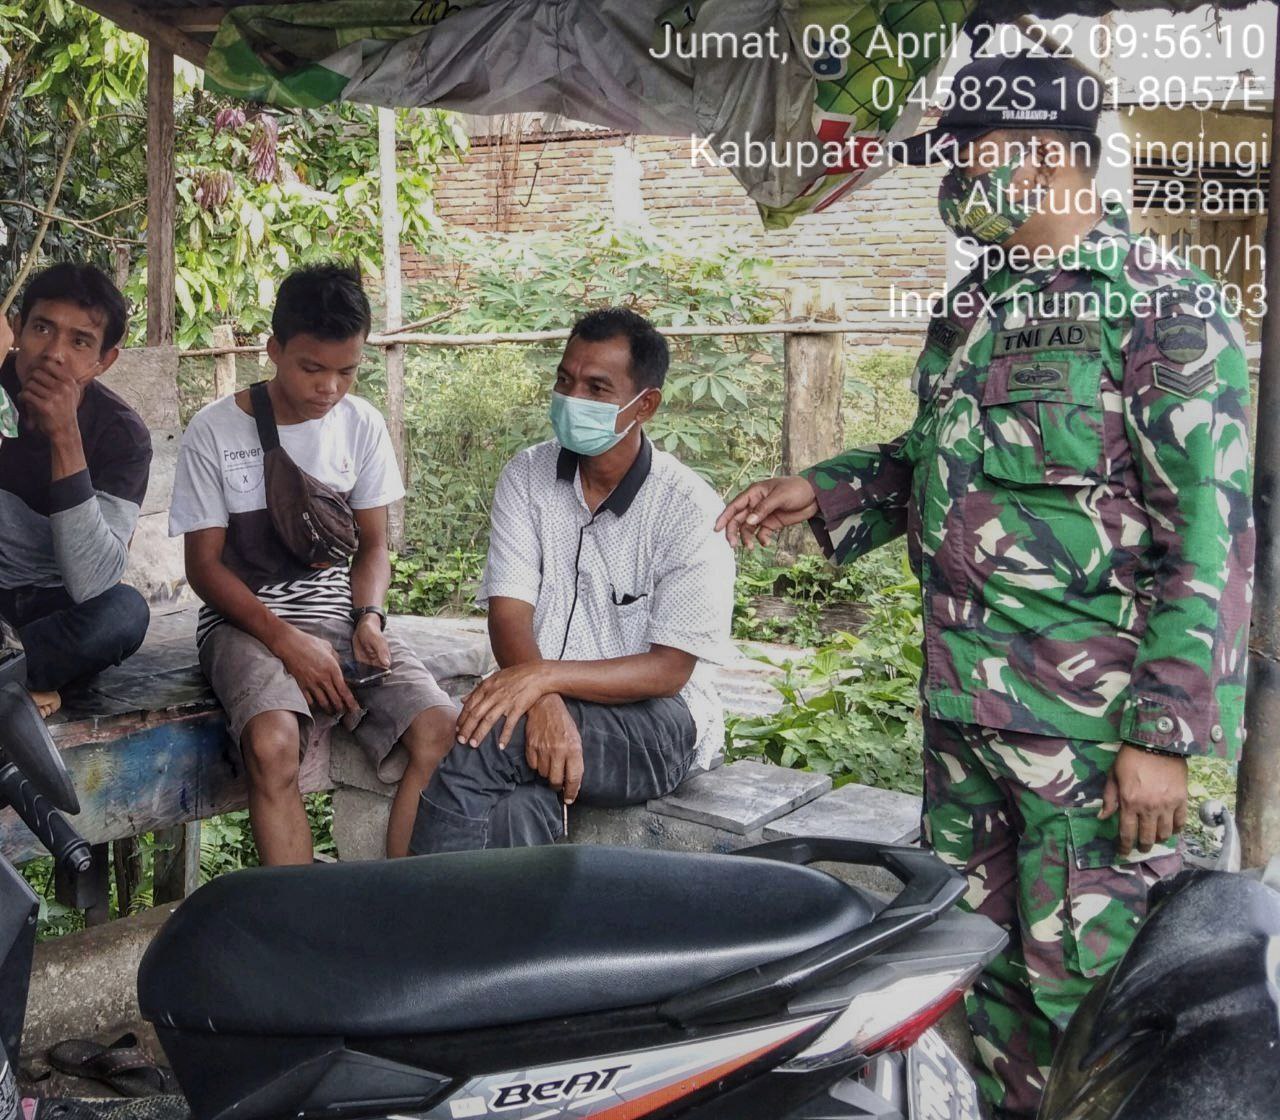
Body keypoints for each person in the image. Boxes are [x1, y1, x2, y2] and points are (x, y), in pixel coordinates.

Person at [717, 53, 1254, 1119]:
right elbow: (938, 459)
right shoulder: (975, 303)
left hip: (1086, 739)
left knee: (1089, 997)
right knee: (980, 975)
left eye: (966, 153)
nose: (951, 175)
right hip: (965, 715)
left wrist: (1164, 736)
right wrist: (823, 493)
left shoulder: (1160, 310)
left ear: (1046, 154)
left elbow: (1209, 537)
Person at [410, 307, 736, 853]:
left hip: (657, 723)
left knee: (485, 735)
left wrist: (538, 683)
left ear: (645, 405)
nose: (572, 397)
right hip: (549, 701)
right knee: (517, 808)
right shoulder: (527, 476)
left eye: (596, 387)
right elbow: (508, 614)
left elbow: (669, 669)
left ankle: (418, 925)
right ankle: (528, 938)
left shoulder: (688, 509)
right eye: (565, 380)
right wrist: (542, 698)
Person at [169, 262, 457, 865]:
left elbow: (374, 547)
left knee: (440, 731)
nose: (330, 387)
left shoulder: (362, 424)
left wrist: (370, 617)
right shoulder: (216, 430)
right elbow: (204, 569)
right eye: (312, 368)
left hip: (341, 615)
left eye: (347, 371)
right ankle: (298, 927)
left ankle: (402, 899)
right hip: (246, 623)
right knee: (273, 746)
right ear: (274, 350)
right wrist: (287, 642)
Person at [0, 264, 152, 718]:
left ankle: (14, 673)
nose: (54, 354)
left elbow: (91, 583)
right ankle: (22, 684)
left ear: (104, 361)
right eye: (42, 328)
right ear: (17, 329)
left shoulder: (122, 437)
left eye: (80, 341)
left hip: (55, 609)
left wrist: (66, 436)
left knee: (125, 613)